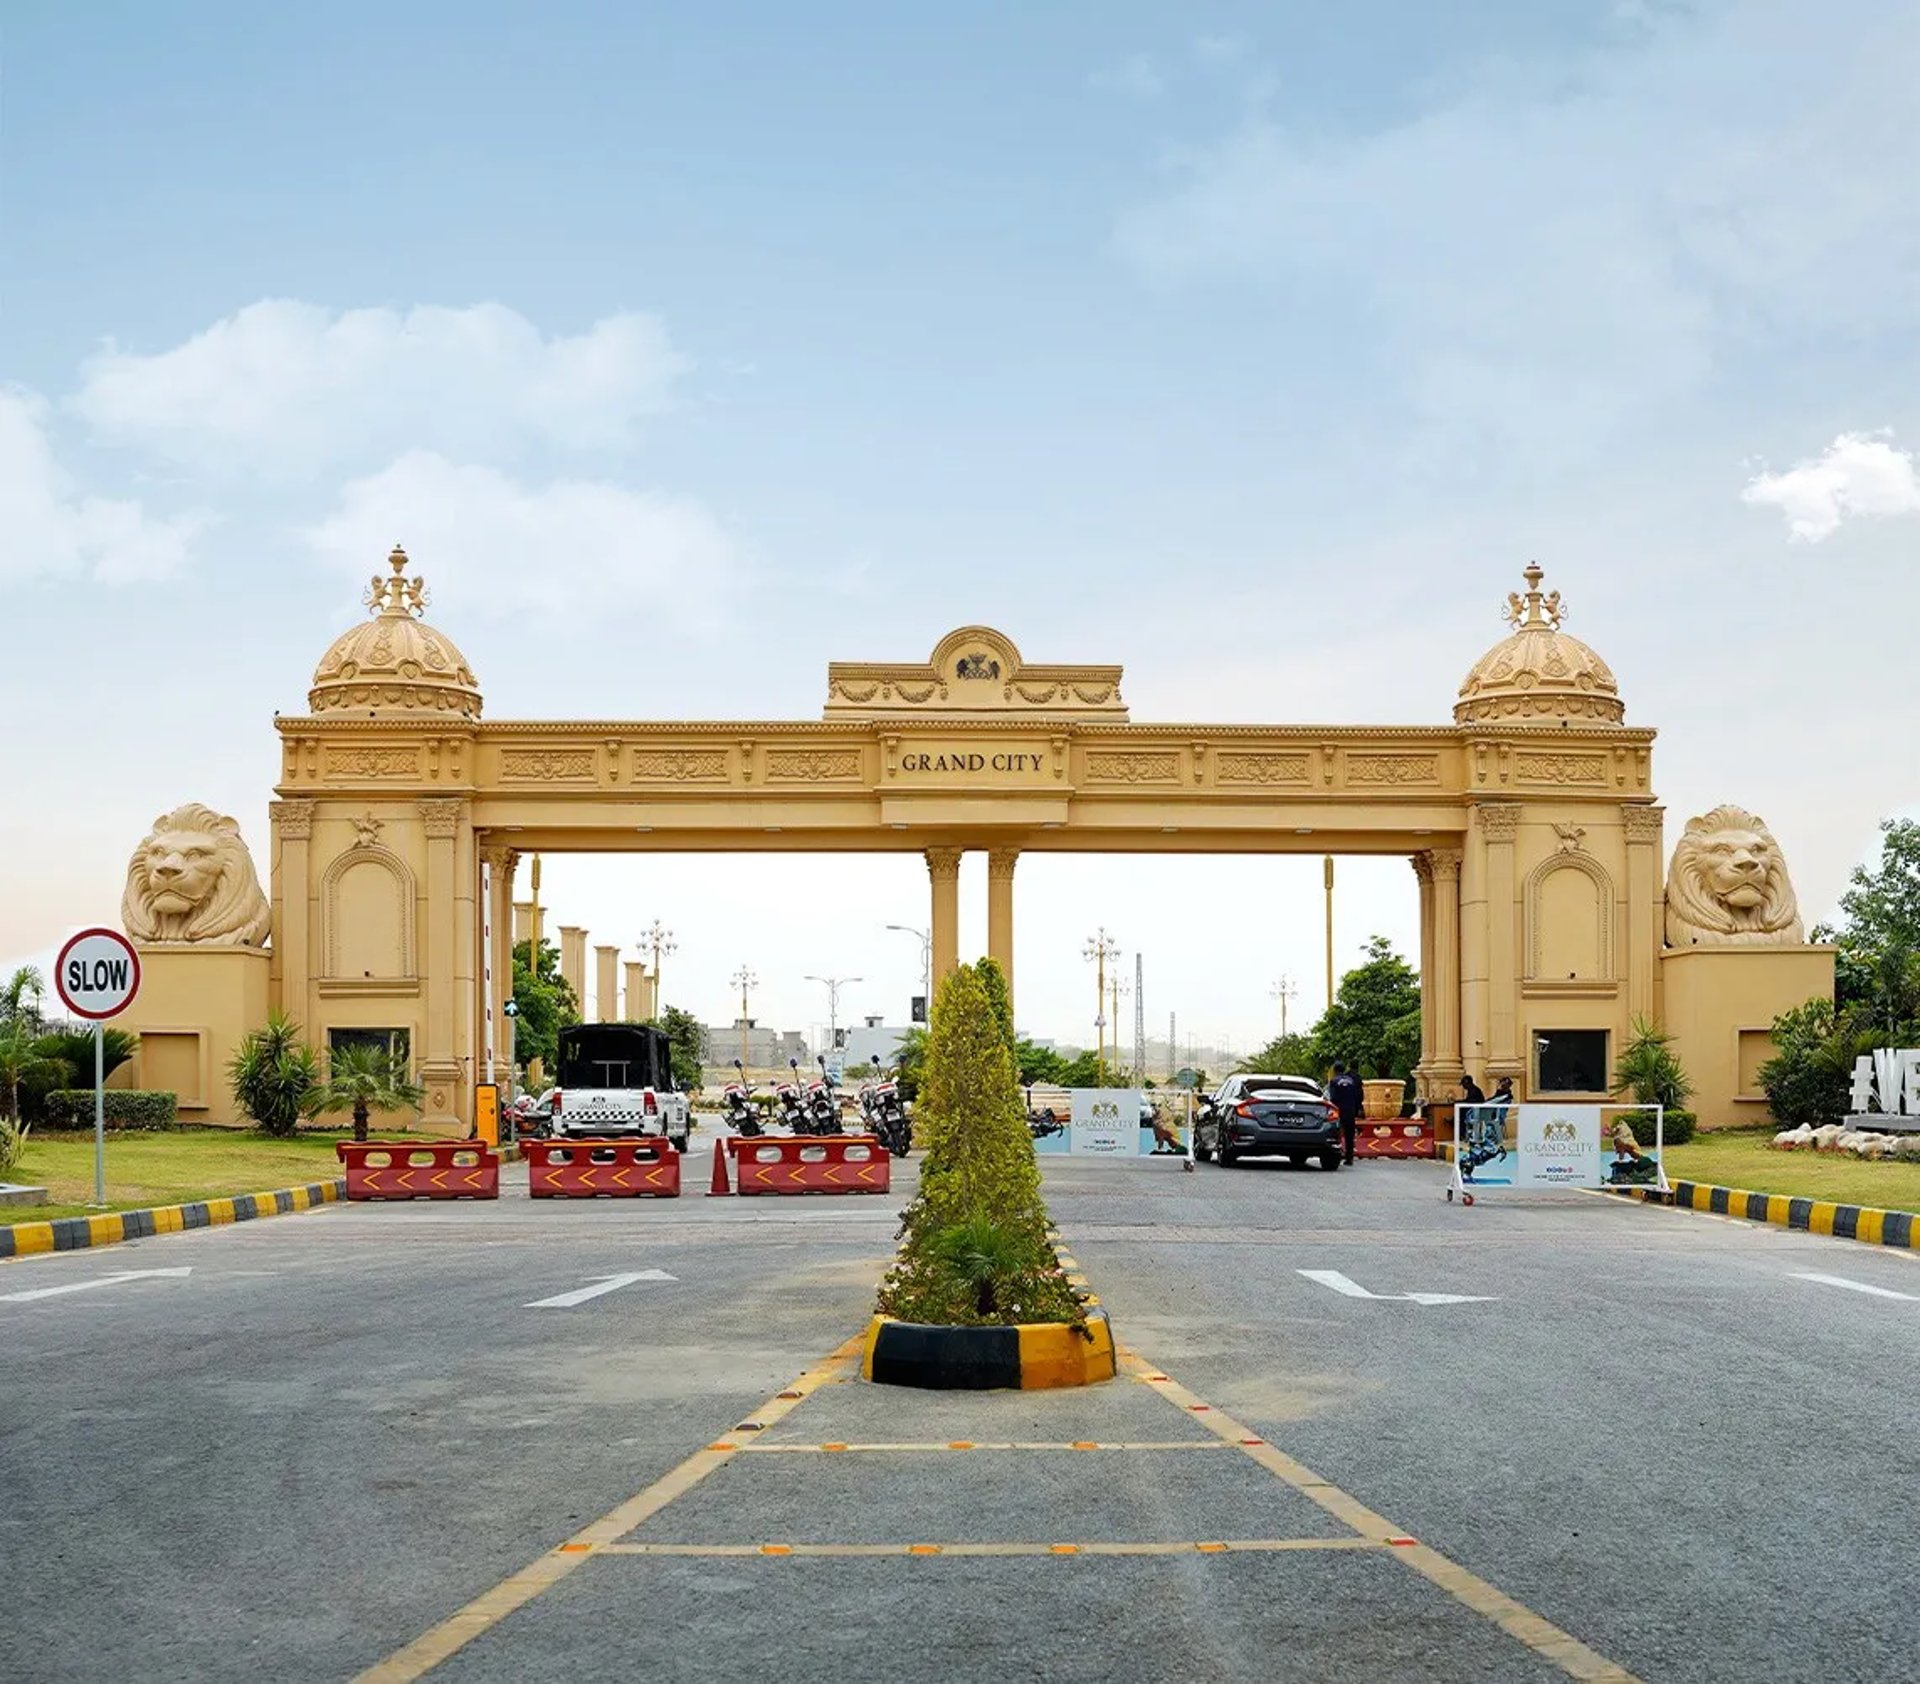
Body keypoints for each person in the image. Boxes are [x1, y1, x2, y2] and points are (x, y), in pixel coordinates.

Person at [1327, 1062, 1365, 1166]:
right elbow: (1358, 1096)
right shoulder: (1351, 1081)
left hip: (1339, 1110)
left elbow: (1333, 1098)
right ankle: (1349, 1157)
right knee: (1350, 1135)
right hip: (1350, 1110)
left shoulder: (1334, 1081)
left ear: (1334, 1070)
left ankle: (1337, 1154)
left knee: (1337, 1133)